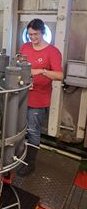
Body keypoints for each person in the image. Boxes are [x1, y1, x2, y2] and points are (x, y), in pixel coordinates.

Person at [17, 18, 63, 176]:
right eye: (30, 34)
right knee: (19, 128)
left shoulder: (53, 51)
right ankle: (18, 157)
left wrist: (42, 71)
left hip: (39, 100)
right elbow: (19, 65)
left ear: (43, 32)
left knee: (33, 131)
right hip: (22, 97)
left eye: (35, 34)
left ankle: (30, 163)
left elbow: (59, 75)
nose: (32, 38)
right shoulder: (25, 47)